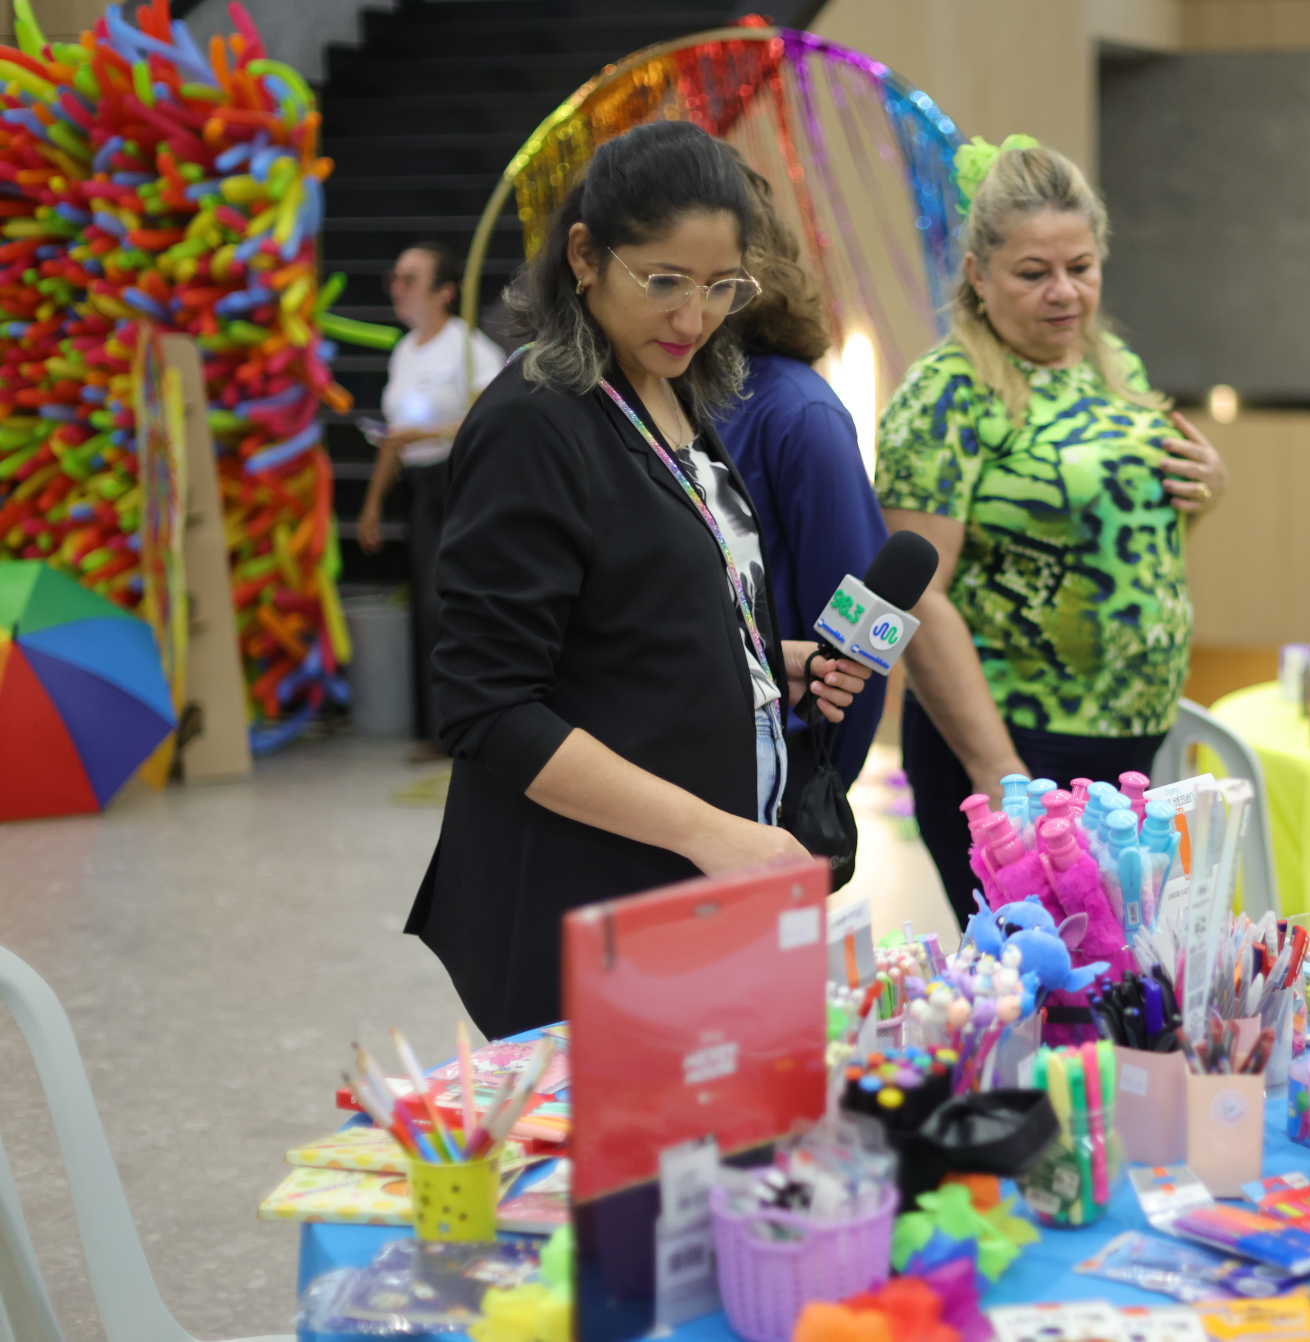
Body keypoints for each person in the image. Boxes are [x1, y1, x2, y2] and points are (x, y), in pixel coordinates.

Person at [404, 122, 871, 1038]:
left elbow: (631, 613)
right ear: (584, 256)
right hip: (587, 899)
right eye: (663, 282)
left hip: (688, 885)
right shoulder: (535, 422)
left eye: (720, 287)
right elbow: (492, 705)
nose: (692, 318)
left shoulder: (675, 388)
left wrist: (769, 661)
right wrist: (710, 831)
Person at [873, 135, 1230, 926]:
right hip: (1019, 743)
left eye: (1081, 267)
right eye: (1033, 274)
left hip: (1126, 737)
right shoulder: (947, 396)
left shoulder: (1112, 366)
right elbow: (914, 597)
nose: (1063, 293)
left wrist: (1206, 491)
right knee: (1044, 985)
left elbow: (1122, 543)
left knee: (1117, 979)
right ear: (977, 275)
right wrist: (1001, 774)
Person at [714, 153, 889, 808]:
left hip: (768, 771)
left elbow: (864, 631)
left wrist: (819, 793)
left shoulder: (798, 412)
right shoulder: (649, 398)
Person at [356, 241, 506, 758]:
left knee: (456, 602)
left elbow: (495, 419)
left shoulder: (470, 348)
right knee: (427, 606)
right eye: (394, 278)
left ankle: (472, 724)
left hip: (461, 483)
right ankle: (436, 728)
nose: (398, 289)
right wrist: (373, 504)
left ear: (444, 292)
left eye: (410, 280)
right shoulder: (405, 351)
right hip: (420, 490)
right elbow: (394, 437)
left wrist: (428, 433)